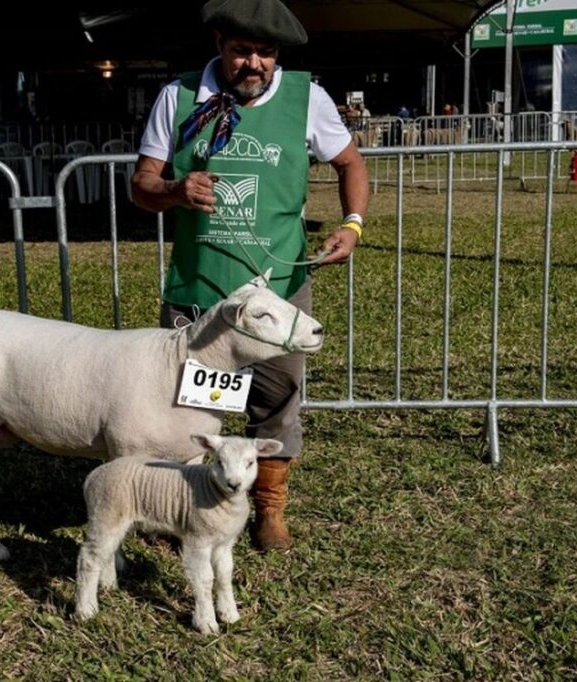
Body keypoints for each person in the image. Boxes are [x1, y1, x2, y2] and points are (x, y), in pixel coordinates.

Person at [131, 0, 369, 552]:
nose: (253, 64)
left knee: (277, 398)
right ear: (220, 44)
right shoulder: (178, 97)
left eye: (265, 53)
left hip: (278, 293)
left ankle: (269, 510)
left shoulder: (306, 98)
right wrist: (173, 190)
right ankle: (184, 507)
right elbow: (140, 184)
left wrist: (352, 226)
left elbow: (351, 163)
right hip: (200, 286)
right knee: (189, 406)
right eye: (242, 51)